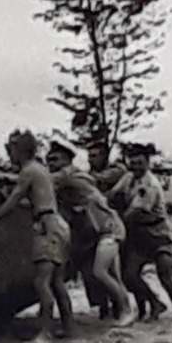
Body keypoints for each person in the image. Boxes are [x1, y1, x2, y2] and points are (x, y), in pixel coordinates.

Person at [0, 130, 75, 342]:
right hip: (58, 225)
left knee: (41, 282)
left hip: (46, 226)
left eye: (12, 149)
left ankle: (45, 332)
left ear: (20, 150)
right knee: (57, 282)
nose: (9, 154)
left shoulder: (29, 171)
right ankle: (69, 327)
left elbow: (12, 203)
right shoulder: (40, 169)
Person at [48, 139, 135, 326]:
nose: (51, 163)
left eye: (55, 159)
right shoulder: (74, 176)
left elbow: (41, 181)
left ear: (66, 159)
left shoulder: (66, 175)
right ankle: (124, 310)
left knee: (100, 272)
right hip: (107, 227)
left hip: (108, 228)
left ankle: (127, 311)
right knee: (112, 274)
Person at [110, 145, 172, 322]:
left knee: (165, 275)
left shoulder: (150, 185)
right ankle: (154, 302)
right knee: (130, 276)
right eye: (132, 162)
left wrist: (116, 219)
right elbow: (113, 194)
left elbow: (135, 211)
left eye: (139, 163)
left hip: (159, 235)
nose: (135, 166)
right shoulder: (128, 178)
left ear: (147, 163)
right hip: (140, 235)